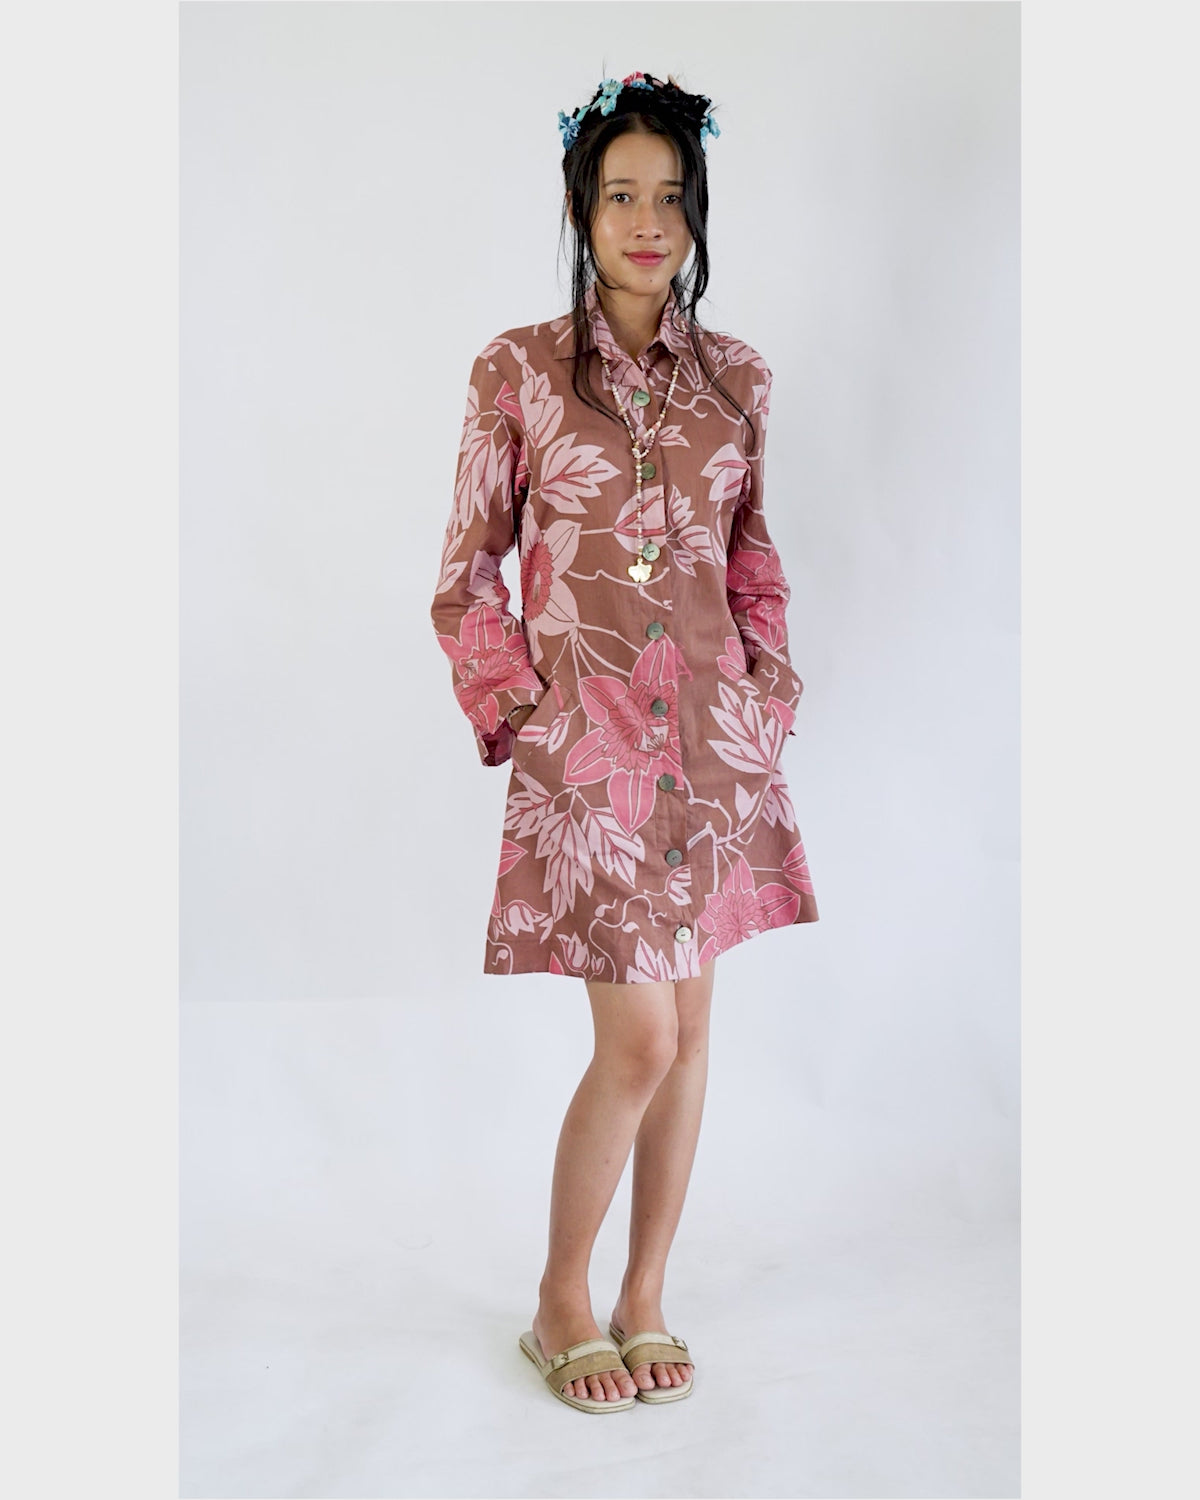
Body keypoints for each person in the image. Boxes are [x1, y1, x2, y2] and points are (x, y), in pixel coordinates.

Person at [430, 71, 819, 1412]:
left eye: (669, 196)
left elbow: (751, 559)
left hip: (714, 750)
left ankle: (644, 1296)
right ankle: (559, 1300)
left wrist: (767, 691)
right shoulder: (517, 372)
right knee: (640, 1038)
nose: (647, 223)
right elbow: (465, 574)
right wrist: (521, 712)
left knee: (692, 1027)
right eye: (620, 196)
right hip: (589, 753)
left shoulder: (738, 380)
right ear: (579, 209)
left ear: (696, 210)